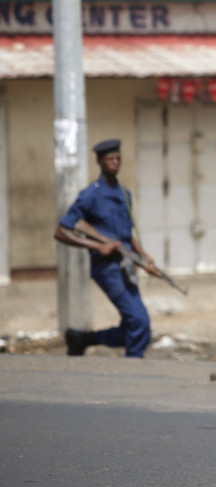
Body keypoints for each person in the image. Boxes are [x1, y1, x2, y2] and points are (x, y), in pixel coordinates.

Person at [54, 139, 154, 358]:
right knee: (138, 321)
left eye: (118, 158)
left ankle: (83, 339)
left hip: (126, 266)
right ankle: (134, 365)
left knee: (141, 325)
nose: (115, 163)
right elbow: (62, 231)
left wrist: (144, 258)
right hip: (106, 268)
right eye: (110, 159)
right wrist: (98, 245)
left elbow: (127, 235)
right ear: (99, 161)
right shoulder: (91, 195)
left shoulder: (124, 194)